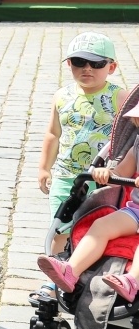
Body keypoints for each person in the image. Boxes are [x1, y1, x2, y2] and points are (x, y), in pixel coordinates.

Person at [37, 33, 121, 258]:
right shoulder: (62, 96)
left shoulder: (118, 97)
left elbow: (130, 135)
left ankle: (85, 274)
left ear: (111, 67)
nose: (87, 68)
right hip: (66, 177)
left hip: (103, 179)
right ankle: (55, 278)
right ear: (68, 64)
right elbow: (53, 134)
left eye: (97, 63)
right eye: (79, 62)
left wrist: (119, 169)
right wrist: (44, 167)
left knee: (96, 229)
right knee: (60, 230)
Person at [38, 119, 139, 301]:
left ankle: (132, 281)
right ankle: (70, 271)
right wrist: (108, 174)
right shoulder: (137, 145)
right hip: (136, 210)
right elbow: (121, 173)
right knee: (100, 226)